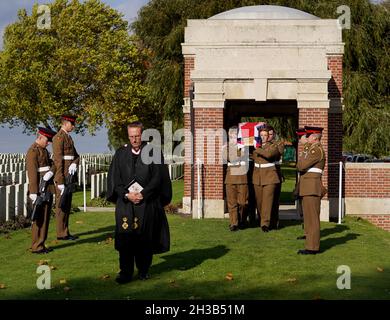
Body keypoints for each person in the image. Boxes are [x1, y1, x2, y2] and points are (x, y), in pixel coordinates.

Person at [107, 121, 170, 284]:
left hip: (146, 203)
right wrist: (126, 195)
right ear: (128, 136)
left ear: (142, 135)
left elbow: (158, 178)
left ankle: (143, 270)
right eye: (131, 136)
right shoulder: (120, 153)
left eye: (137, 136)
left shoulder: (153, 152)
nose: (134, 139)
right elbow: (116, 179)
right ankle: (125, 272)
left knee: (144, 238)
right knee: (125, 238)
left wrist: (143, 194)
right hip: (126, 204)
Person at [26, 127, 57, 254]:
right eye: (47, 140)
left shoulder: (44, 151)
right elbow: (32, 173)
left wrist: (50, 172)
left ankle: (41, 243)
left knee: (45, 217)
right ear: (40, 137)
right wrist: (33, 192)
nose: (48, 142)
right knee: (38, 218)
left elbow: (54, 164)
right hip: (39, 188)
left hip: (47, 187)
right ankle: (36, 245)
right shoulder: (33, 151)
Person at [296, 126, 326, 255]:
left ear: (313, 137)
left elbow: (301, 166)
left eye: (307, 136)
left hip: (312, 187)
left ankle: (313, 247)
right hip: (308, 187)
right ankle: (310, 242)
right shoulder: (312, 149)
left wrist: (305, 147)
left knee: (312, 219)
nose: (305, 139)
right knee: (308, 218)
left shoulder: (316, 150)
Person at [52, 115, 79, 241]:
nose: (73, 126)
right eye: (72, 124)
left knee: (67, 205)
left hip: (69, 175)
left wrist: (74, 163)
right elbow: (58, 161)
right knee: (61, 205)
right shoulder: (58, 138)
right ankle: (61, 233)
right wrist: (60, 180)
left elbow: (76, 155)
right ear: (65, 123)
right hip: (62, 176)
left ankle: (65, 231)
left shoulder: (68, 137)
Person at [252, 126, 280, 232]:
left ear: (269, 137)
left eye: (265, 135)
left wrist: (257, 149)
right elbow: (253, 158)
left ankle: (265, 224)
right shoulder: (256, 147)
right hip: (257, 177)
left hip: (270, 177)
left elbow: (268, 155)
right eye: (262, 135)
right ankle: (262, 219)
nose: (263, 137)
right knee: (259, 202)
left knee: (267, 202)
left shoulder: (273, 146)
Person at [223, 126, 249, 231]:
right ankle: (233, 223)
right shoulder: (225, 147)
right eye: (230, 134)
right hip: (230, 177)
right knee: (232, 202)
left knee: (243, 202)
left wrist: (237, 147)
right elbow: (229, 158)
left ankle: (242, 220)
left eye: (234, 134)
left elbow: (238, 156)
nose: (232, 136)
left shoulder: (242, 146)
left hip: (241, 176)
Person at [294, 128, 310, 240]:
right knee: (302, 209)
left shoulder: (310, 150)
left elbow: (300, 166)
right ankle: (306, 232)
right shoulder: (305, 149)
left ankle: (308, 233)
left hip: (308, 181)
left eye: (301, 137)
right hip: (303, 181)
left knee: (308, 210)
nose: (299, 140)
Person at [267, 126, 284, 230]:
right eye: (267, 134)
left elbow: (279, 152)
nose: (269, 136)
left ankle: (274, 222)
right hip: (264, 172)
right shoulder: (261, 144)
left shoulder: (278, 144)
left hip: (275, 171)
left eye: (271, 134)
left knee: (275, 199)